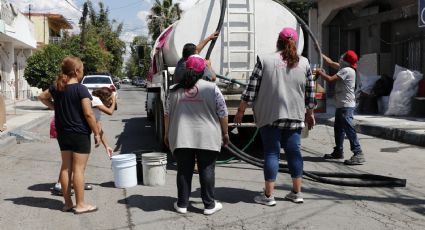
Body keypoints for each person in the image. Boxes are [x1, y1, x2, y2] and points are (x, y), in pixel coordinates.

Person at [235, 27, 316, 206]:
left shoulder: (265, 60)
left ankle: (269, 196)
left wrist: (240, 111)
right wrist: (310, 114)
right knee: (294, 153)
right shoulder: (304, 63)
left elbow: (250, 90)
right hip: (295, 116)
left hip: (270, 116)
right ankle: (296, 192)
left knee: (272, 153)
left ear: (278, 41)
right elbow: (310, 93)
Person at [164, 55, 229, 215]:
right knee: (207, 169)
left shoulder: (173, 90)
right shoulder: (212, 88)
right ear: (203, 71)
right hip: (207, 137)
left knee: (183, 170)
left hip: (181, 136)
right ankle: (209, 205)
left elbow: (167, 113)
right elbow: (223, 112)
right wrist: (225, 132)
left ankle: (182, 204)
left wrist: (166, 134)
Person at [38, 56, 100, 214]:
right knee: (79, 169)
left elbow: (42, 97)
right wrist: (96, 133)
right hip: (79, 134)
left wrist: (55, 107)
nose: (82, 73)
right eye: (83, 71)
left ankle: (67, 204)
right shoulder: (81, 89)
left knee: (66, 168)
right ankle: (80, 205)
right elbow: (88, 114)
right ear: (77, 71)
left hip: (63, 133)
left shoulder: (57, 87)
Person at [51, 87, 116, 196]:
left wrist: (107, 146)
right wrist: (114, 99)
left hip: (74, 130)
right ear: (104, 97)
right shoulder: (95, 100)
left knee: (77, 163)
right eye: (109, 99)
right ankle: (59, 185)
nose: (110, 101)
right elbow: (110, 112)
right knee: (70, 162)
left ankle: (76, 183)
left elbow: (99, 128)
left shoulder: (96, 106)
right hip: (72, 130)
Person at [315, 51, 366, 165]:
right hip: (341, 104)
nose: (340, 57)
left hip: (346, 105)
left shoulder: (346, 70)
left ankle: (358, 153)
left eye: (343, 56)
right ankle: (338, 150)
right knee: (338, 128)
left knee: (348, 128)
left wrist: (320, 73)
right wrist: (320, 52)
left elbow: (330, 79)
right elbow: (331, 62)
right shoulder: (345, 68)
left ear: (346, 61)